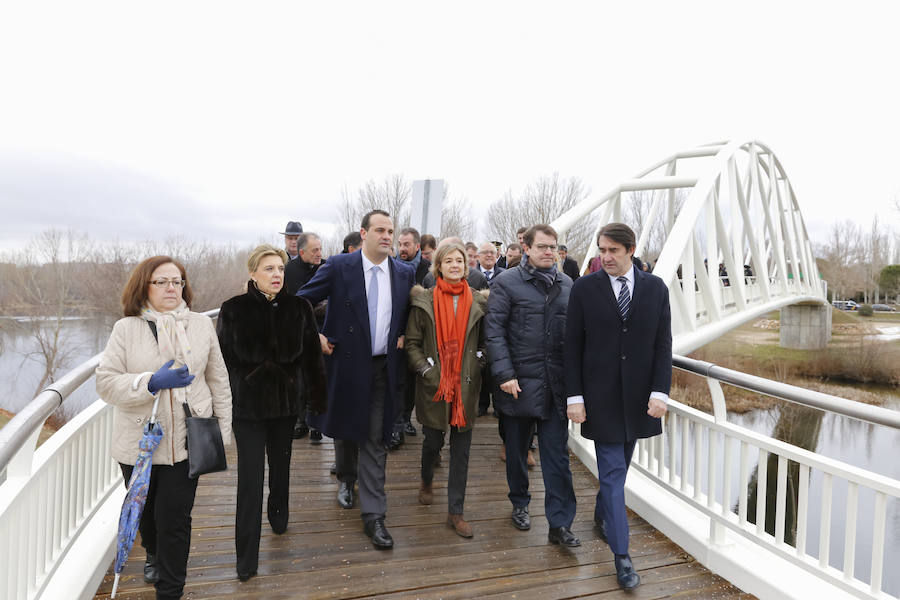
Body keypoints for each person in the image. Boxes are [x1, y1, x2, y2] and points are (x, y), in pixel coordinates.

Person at [97, 256, 232, 600]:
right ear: (144, 286)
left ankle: (170, 590)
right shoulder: (125, 329)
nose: (172, 288)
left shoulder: (201, 326)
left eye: (178, 281)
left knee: (175, 519)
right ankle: (152, 551)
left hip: (187, 440)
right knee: (147, 515)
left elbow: (218, 379)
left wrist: (223, 432)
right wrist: (150, 382)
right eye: (162, 282)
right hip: (138, 444)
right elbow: (106, 383)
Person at [297, 209, 415, 549]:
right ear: (363, 234)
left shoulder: (403, 273)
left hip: (383, 367)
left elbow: (407, 313)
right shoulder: (338, 266)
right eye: (379, 230)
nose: (387, 236)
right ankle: (346, 479)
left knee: (376, 437)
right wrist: (315, 336)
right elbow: (301, 301)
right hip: (346, 364)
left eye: (390, 230)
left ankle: (374, 515)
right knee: (347, 428)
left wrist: (405, 333)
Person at [564, 222, 671, 591]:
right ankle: (622, 556)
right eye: (601, 250)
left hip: (640, 398)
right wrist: (574, 397)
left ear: (631, 250)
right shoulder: (584, 288)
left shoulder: (656, 288)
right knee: (612, 474)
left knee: (620, 468)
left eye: (613, 251)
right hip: (600, 398)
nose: (605, 257)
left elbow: (662, 344)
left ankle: (600, 514)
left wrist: (661, 391)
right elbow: (572, 346)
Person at [217, 244, 327, 582]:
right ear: (253, 274)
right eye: (268, 269)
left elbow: (311, 357)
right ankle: (246, 557)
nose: (277, 274)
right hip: (248, 408)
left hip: (284, 406)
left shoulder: (300, 308)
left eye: (280, 268)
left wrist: (316, 400)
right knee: (250, 479)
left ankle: (279, 513)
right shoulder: (233, 309)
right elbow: (222, 361)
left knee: (280, 468)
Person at [484, 224, 580, 547]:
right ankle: (520, 502)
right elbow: (494, 332)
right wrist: (505, 375)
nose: (548, 252)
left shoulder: (566, 284)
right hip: (518, 384)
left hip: (555, 386)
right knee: (517, 450)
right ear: (526, 247)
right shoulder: (506, 283)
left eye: (553, 247)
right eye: (541, 247)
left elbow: (574, 337)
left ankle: (560, 524)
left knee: (556, 456)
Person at [405, 240, 488, 538]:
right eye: (449, 261)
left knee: (462, 453)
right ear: (438, 266)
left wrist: (478, 363)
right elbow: (412, 343)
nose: (455, 265)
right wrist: (427, 371)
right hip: (434, 386)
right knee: (432, 444)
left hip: (465, 388)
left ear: (467, 267)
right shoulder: (423, 301)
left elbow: (485, 343)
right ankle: (426, 479)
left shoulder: (479, 302)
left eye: (460, 261)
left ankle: (456, 511)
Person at [284, 232, 327, 443]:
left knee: (318, 375)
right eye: (315, 250)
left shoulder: (327, 267)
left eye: (320, 249)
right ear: (302, 253)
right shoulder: (289, 271)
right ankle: (301, 421)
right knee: (299, 378)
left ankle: (316, 423)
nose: (319, 253)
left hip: (323, 330)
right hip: (297, 329)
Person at [394, 226, 432, 442]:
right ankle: (397, 421)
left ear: (417, 246)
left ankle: (407, 418)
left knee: (411, 380)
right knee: (397, 379)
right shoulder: (393, 266)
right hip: (397, 333)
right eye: (400, 244)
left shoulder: (427, 270)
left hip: (418, 333)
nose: (402, 248)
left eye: (406, 244)